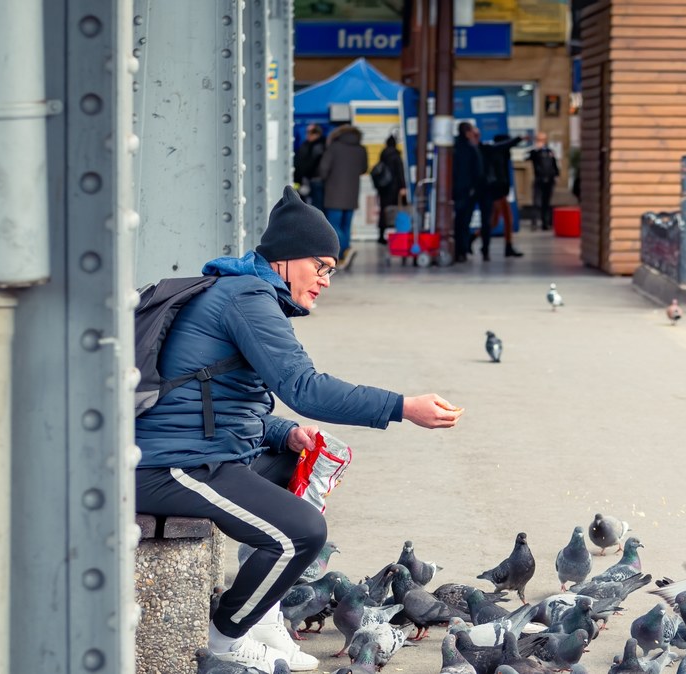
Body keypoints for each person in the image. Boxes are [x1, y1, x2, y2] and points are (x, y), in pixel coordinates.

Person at [134, 185, 462, 673]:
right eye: (321, 266)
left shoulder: (244, 292)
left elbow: (214, 399)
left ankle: (262, 614)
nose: (327, 280)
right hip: (171, 465)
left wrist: (283, 433)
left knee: (295, 465)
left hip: (200, 449)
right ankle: (226, 637)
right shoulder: (246, 296)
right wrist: (401, 406)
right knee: (301, 533)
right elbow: (305, 387)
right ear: (286, 259)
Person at [318, 124, 368, 269]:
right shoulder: (361, 149)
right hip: (352, 193)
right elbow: (364, 169)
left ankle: (343, 251)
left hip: (334, 192)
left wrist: (324, 178)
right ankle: (345, 253)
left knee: (334, 225)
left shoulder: (334, 147)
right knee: (346, 225)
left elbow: (323, 169)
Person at [479, 133, 525, 260]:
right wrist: (519, 138)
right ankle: (507, 246)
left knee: (497, 220)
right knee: (503, 220)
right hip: (497, 191)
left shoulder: (500, 154)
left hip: (500, 191)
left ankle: (475, 237)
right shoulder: (496, 153)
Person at [452, 121, 484, 263]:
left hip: (454, 190)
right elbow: (478, 171)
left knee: (457, 221)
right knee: (464, 222)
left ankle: (456, 249)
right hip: (467, 191)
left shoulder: (453, 147)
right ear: (467, 132)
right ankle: (462, 250)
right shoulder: (471, 149)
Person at [372, 135, 406, 245]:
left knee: (384, 212)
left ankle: (381, 235)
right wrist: (402, 186)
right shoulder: (396, 156)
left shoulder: (383, 155)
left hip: (383, 188)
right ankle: (397, 235)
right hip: (394, 188)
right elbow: (400, 173)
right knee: (396, 211)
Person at [528, 132, 560, 231]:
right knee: (537, 201)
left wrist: (556, 175)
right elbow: (529, 157)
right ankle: (534, 223)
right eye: (539, 140)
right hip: (539, 179)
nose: (541, 142)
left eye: (543, 140)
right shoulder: (535, 152)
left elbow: (554, 164)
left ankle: (545, 223)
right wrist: (537, 149)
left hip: (549, 179)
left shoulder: (550, 152)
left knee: (546, 202)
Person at [293, 124, 325, 210]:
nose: (308, 135)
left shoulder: (319, 146)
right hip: (305, 180)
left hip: (314, 180)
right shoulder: (307, 144)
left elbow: (310, 164)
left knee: (316, 205)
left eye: (310, 132)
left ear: (317, 134)